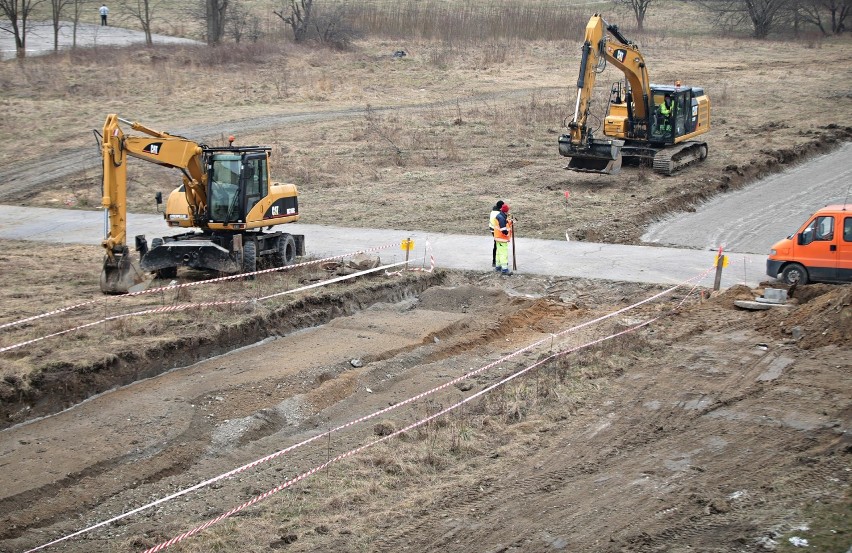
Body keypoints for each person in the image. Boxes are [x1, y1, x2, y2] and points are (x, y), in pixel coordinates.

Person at [493, 203, 513, 275]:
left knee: (499, 253)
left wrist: (510, 222)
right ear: (506, 211)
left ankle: (498, 267)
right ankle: (504, 269)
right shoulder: (501, 218)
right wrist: (508, 233)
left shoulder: (501, 216)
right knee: (503, 254)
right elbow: (503, 230)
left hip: (498, 238)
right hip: (502, 239)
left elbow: (505, 223)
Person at [488, 200, 504, 268]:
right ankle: (496, 261)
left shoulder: (493, 211)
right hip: (496, 230)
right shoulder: (498, 214)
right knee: (498, 245)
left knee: (496, 244)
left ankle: (495, 261)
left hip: (492, 229)